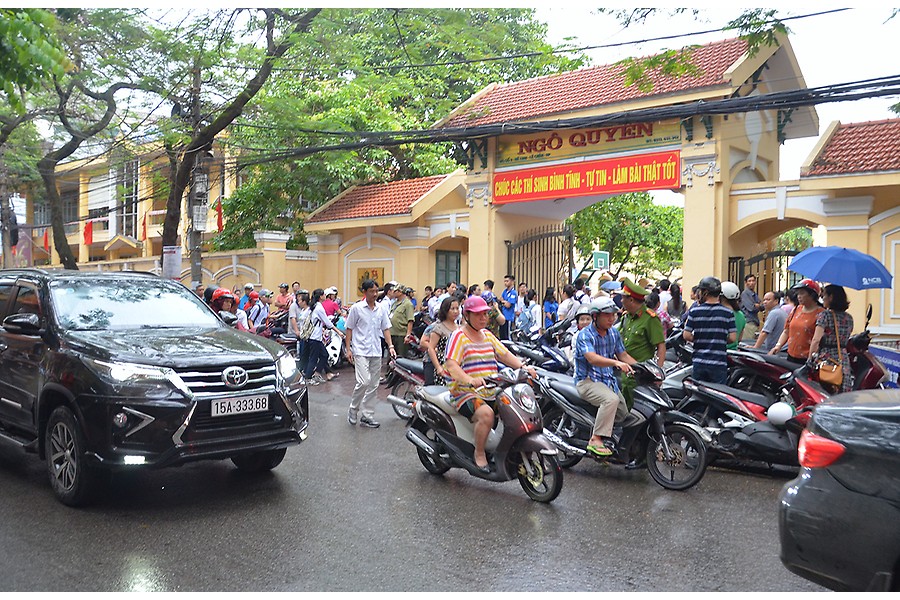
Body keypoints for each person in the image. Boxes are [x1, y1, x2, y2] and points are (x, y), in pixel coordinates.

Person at [443, 296, 532, 470]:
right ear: (467, 315)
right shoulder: (458, 336)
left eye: (485, 314)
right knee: (486, 414)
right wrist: (470, 380)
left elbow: (504, 355)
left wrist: (523, 367)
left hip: (490, 389)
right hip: (464, 392)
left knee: (515, 406)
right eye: (478, 315)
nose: (483, 318)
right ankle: (479, 452)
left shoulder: (488, 335)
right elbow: (451, 365)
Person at [573, 297, 635, 458]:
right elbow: (592, 358)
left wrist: (642, 366)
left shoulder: (613, 333)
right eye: (607, 315)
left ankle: (605, 436)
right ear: (595, 316)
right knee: (610, 400)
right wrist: (616, 363)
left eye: (613, 314)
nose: (611, 318)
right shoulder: (585, 335)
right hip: (587, 381)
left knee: (623, 413)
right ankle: (595, 439)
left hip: (608, 381)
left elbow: (623, 355)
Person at [345, 279, 396, 428]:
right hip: (360, 350)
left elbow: (385, 328)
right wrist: (348, 349)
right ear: (364, 292)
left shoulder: (381, 309)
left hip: (376, 351)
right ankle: (353, 409)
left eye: (376, 291)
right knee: (364, 381)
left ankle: (367, 415)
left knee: (373, 384)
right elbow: (349, 328)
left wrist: (390, 346)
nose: (374, 294)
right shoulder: (356, 308)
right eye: (371, 291)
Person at [618, 278, 666, 407]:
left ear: (631, 300)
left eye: (623, 298)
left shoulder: (650, 319)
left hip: (640, 376)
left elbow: (661, 347)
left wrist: (658, 374)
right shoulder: (626, 317)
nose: (621, 301)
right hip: (623, 373)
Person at [683, 277, 736, 384]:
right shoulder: (728, 313)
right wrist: (719, 339)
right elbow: (732, 338)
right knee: (718, 392)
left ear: (705, 292)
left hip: (699, 362)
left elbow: (686, 335)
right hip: (719, 363)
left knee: (698, 391)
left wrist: (700, 339)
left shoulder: (694, 311)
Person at [808, 284, 854, 393]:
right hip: (843, 358)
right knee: (842, 391)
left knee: (825, 392)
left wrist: (810, 359)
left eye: (824, 296)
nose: (822, 299)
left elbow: (816, 340)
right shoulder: (849, 318)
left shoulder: (824, 315)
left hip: (827, 358)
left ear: (831, 297)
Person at [769, 279, 824, 364]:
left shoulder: (821, 314)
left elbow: (817, 339)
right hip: (791, 356)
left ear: (812, 295)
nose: (799, 296)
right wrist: (778, 346)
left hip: (808, 359)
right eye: (798, 293)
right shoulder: (796, 310)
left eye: (802, 293)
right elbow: (786, 331)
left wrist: (811, 359)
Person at [301, 289, 345, 384]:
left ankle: (317, 374)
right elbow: (328, 323)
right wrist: (338, 332)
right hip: (315, 337)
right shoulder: (319, 308)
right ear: (321, 296)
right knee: (314, 358)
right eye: (324, 294)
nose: (325, 296)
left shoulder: (313, 306)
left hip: (314, 337)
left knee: (324, 355)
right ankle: (308, 378)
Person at [426, 296, 460, 386]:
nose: (455, 311)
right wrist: (438, 367)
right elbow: (431, 348)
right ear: (445, 310)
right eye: (452, 309)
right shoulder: (439, 327)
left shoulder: (459, 327)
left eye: (457, 308)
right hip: (443, 365)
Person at [389, 285, 416, 358]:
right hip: (392, 333)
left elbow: (410, 320)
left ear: (400, 292)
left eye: (395, 291)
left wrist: (408, 335)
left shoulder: (408, 304)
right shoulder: (395, 303)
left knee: (401, 357)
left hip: (401, 335)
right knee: (391, 357)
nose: (393, 293)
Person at [290, 292, 311, 373]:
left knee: (305, 354)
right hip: (301, 334)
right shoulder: (300, 309)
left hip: (305, 335)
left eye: (300, 300)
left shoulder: (308, 310)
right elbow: (293, 318)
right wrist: (297, 331)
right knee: (302, 353)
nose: (298, 302)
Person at [721, 281, 746, 350]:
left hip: (721, 351)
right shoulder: (741, 315)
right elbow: (739, 338)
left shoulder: (720, 313)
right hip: (734, 351)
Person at [740, 274, 763, 341]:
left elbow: (762, 307)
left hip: (754, 322)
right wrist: (757, 306)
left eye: (753, 281)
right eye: (749, 281)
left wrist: (758, 305)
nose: (751, 283)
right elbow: (751, 308)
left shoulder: (754, 294)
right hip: (748, 322)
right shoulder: (745, 294)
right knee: (748, 341)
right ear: (746, 283)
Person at [499, 274, 517, 339]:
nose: (505, 283)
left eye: (507, 281)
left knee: (507, 336)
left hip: (509, 317)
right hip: (503, 316)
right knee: (502, 335)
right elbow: (500, 299)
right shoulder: (505, 291)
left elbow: (508, 305)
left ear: (512, 282)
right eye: (505, 281)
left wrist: (503, 301)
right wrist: (504, 301)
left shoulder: (513, 293)